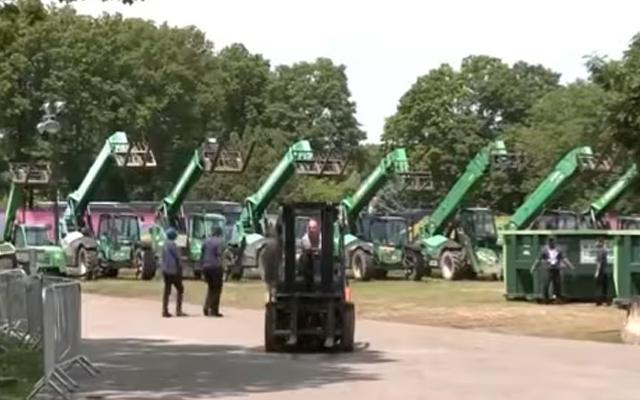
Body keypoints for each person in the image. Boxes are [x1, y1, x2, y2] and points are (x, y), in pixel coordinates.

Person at [530, 237, 575, 304]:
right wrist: (534, 267)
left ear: (554, 242)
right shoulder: (544, 249)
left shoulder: (559, 250)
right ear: (548, 243)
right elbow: (538, 259)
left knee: (557, 284)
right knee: (546, 284)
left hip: (556, 269)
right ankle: (545, 299)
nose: (551, 244)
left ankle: (558, 299)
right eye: (550, 242)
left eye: (552, 242)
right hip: (547, 269)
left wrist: (570, 265)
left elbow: (564, 258)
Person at [161, 228, 186, 318]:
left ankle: (164, 310)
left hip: (165, 270)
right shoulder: (173, 245)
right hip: (173, 270)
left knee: (167, 290)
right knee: (180, 289)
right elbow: (178, 258)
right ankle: (178, 310)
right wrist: (180, 267)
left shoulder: (164, 245)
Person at [201, 226, 225, 317]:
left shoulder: (206, 241)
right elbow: (219, 254)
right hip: (215, 267)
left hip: (206, 266)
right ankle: (214, 310)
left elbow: (202, 254)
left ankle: (206, 307)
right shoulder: (219, 242)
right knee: (217, 289)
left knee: (210, 288)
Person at [594, 237, 610, 306]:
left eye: (597, 242)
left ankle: (598, 301)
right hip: (605, 271)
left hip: (601, 272)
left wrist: (597, 272)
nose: (595, 243)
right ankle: (606, 301)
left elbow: (599, 263)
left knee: (599, 287)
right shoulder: (604, 250)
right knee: (604, 287)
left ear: (600, 243)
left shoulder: (600, 251)